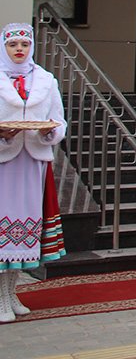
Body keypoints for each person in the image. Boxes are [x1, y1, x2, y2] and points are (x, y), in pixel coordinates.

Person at [0, 23, 67, 323]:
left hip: (33, 163)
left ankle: (10, 293)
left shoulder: (45, 80)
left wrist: (48, 133)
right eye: (13, 44)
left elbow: (58, 119)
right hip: (4, 162)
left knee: (24, 230)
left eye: (24, 45)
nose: (19, 49)